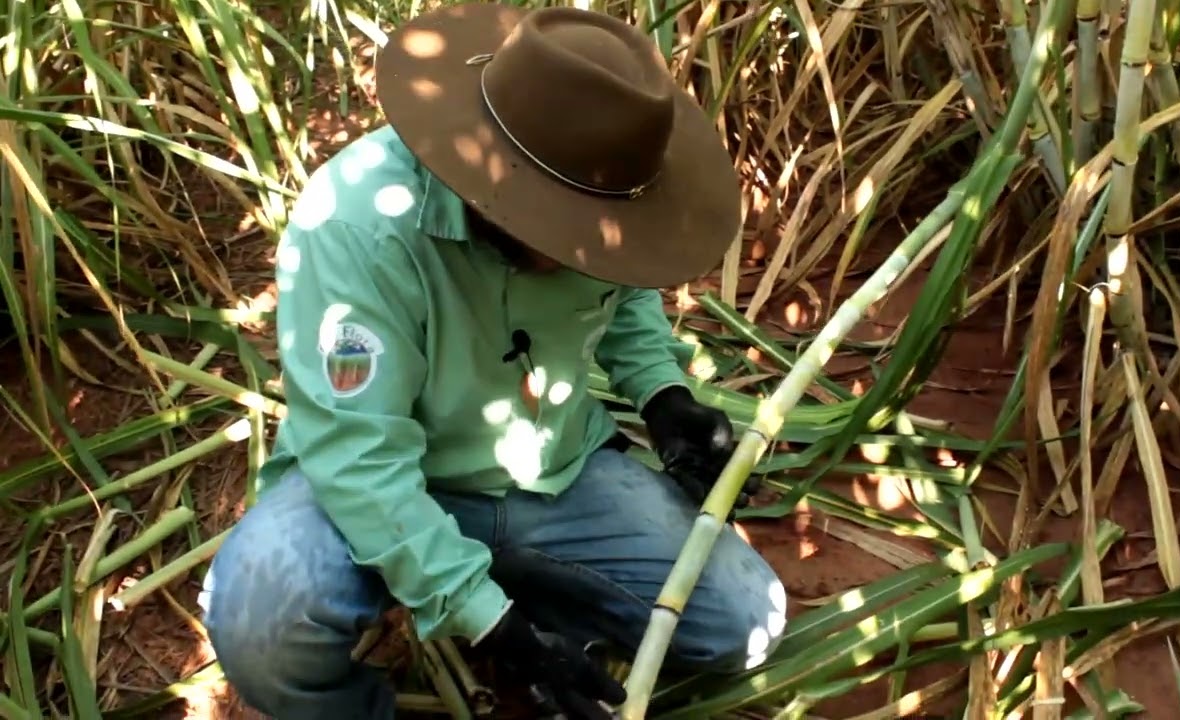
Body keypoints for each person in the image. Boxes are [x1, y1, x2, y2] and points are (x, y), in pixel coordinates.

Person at [198, 4, 786, 719]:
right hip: (387, 481)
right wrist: (496, 627)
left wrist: (662, 394)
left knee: (743, 623)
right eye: (560, 228)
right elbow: (359, 460)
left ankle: (531, 587)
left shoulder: (602, 202)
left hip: (553, 472)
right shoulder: (356, 228)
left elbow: (622, 291)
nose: (578, 256)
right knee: (264, 621)